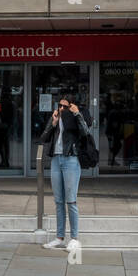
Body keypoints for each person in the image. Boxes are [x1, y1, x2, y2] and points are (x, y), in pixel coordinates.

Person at [39, 95, 89, 249]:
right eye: (60, 105)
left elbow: (85, 132)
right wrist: (53, 123)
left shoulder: (75, 119)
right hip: (56, 160)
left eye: (65, 106)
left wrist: (77, 114)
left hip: (70, 160)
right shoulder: (56, 117)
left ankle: (74, 238)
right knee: (58, 201)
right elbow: (44, 137)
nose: (61, 109)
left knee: (71, 200)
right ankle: (59, 237)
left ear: (71, 107)